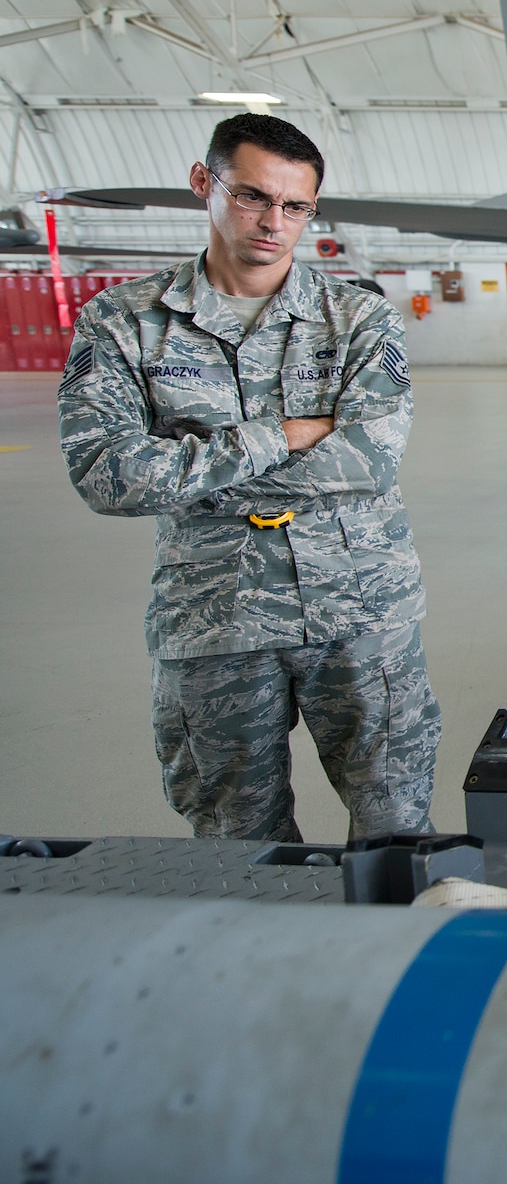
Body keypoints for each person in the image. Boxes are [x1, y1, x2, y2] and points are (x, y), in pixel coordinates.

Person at [58, 113, 440, 842]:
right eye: (252, 196)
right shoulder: (124, 322)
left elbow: (370, 457)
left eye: (296, 206)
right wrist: (284, 435)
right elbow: (106, 473)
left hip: (358, 609)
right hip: (216, 616)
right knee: (238, 838)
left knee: (396, 826)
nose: (274, 222)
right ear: (204, 183)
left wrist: (192, 468)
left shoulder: (356, 318)